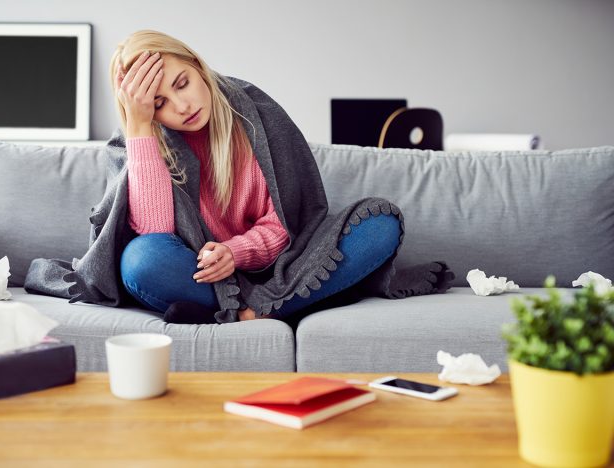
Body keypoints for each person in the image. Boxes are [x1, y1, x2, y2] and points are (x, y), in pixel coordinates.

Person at [25, 30, 452, 324]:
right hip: (201, 275)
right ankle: (280, 306)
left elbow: (287, 225)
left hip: (286, 264)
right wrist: (140, 130)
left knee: (380, 220)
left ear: (196, 64)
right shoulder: (140, 142)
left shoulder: (256, 112)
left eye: (182, 82)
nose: (181, 104)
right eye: (158, 103)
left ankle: (247, 312)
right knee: (142, 259)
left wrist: (235, 252)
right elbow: (158, 233)